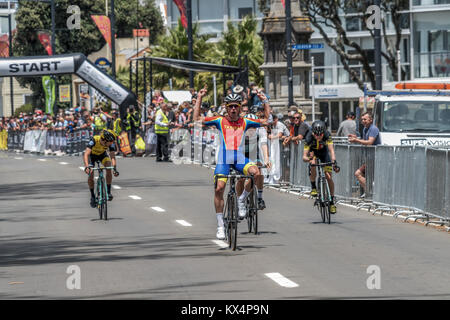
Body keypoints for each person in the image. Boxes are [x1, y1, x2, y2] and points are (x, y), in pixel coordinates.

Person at [194, 86, 271, 240]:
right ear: (227, 108)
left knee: (256, 173)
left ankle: (241, 199)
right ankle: (220, 226)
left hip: (239, 158)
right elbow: (196, 119)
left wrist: (265, 102)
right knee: (219, 189)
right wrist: (199, 99)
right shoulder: (219, 120)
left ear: (240, 108)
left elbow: (266, 121)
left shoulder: (246, 121)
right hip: (224, 159)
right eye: (231, 107)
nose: (234, 109)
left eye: (237, 106)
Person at [302, 120, 339, 214]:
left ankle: (331, 202)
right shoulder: (309, 137)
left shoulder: (327, 134)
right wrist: (309, 160)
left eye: (321, 134)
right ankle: (313, 186)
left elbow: (331, 150)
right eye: (316, 135)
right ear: (313, 133)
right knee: (313, 163)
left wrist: (334, 162)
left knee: (329, 177)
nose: (319, 136)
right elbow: (304, 156)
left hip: (324, 153)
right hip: (313, 153)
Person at [83, 129, 120, 208]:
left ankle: (108, 192)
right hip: (92, 156)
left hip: (102, 155)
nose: (111, 144)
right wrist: (87, 167)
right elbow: (86, 154)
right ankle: (92, 196)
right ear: (105, 140)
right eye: (111, 142)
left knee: (108, 166)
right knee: (91, 174)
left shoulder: (110, 143)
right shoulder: (94, 140)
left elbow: (112, 156)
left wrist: (114, 168)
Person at [348, 111, 381, 197]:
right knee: (361, 174)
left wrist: (356, 140)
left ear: (371, 120)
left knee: (358, 173)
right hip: (368, 158)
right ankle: (370, 192)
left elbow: (370, 142)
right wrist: (356, 138)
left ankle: (371, 192)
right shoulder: (365, 129)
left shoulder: (373, 129)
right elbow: (364, 140)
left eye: (365, 119)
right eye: (362, 119)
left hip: (375, 157)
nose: (363, 121)